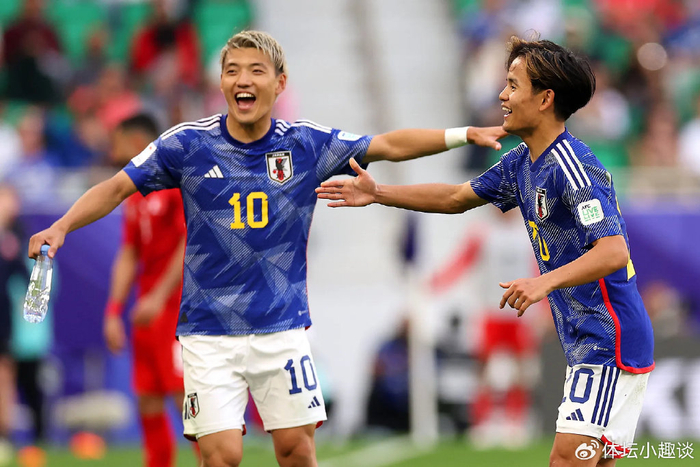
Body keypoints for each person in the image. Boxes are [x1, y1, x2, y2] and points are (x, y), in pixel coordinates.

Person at [27, 30, 506, 467]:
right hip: (208, 333)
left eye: (256, 70)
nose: (243, 80)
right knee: (221, 456)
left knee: (296, 452)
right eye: (232, 70)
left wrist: (463, 135)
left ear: (280, 83)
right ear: (221, 82)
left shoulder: (305, 144)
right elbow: (117, 186)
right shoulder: (186, 144)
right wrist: (62, 226)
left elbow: (387, 146)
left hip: (281, 329)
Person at [317, 35, 655, 466]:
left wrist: (543, 283)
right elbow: (456, 197)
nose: (502, 95)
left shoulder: (574, 167)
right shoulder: (521, 163)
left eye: (513, 85)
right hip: (590, 338)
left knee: (567, 460)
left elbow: (613, 251)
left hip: (609, 338)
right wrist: (379, 192)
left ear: (545, 99)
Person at [102, 114, 190, 467]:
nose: (113, 150)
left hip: (178, 309)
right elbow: (129, 253)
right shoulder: (134, 194)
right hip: (146, 312)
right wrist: (113, 311)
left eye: (118, 141)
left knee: (186, 398)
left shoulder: (174, 184)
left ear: (137, 141)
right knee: (147, 398)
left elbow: (189, 242)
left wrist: (158, 296)